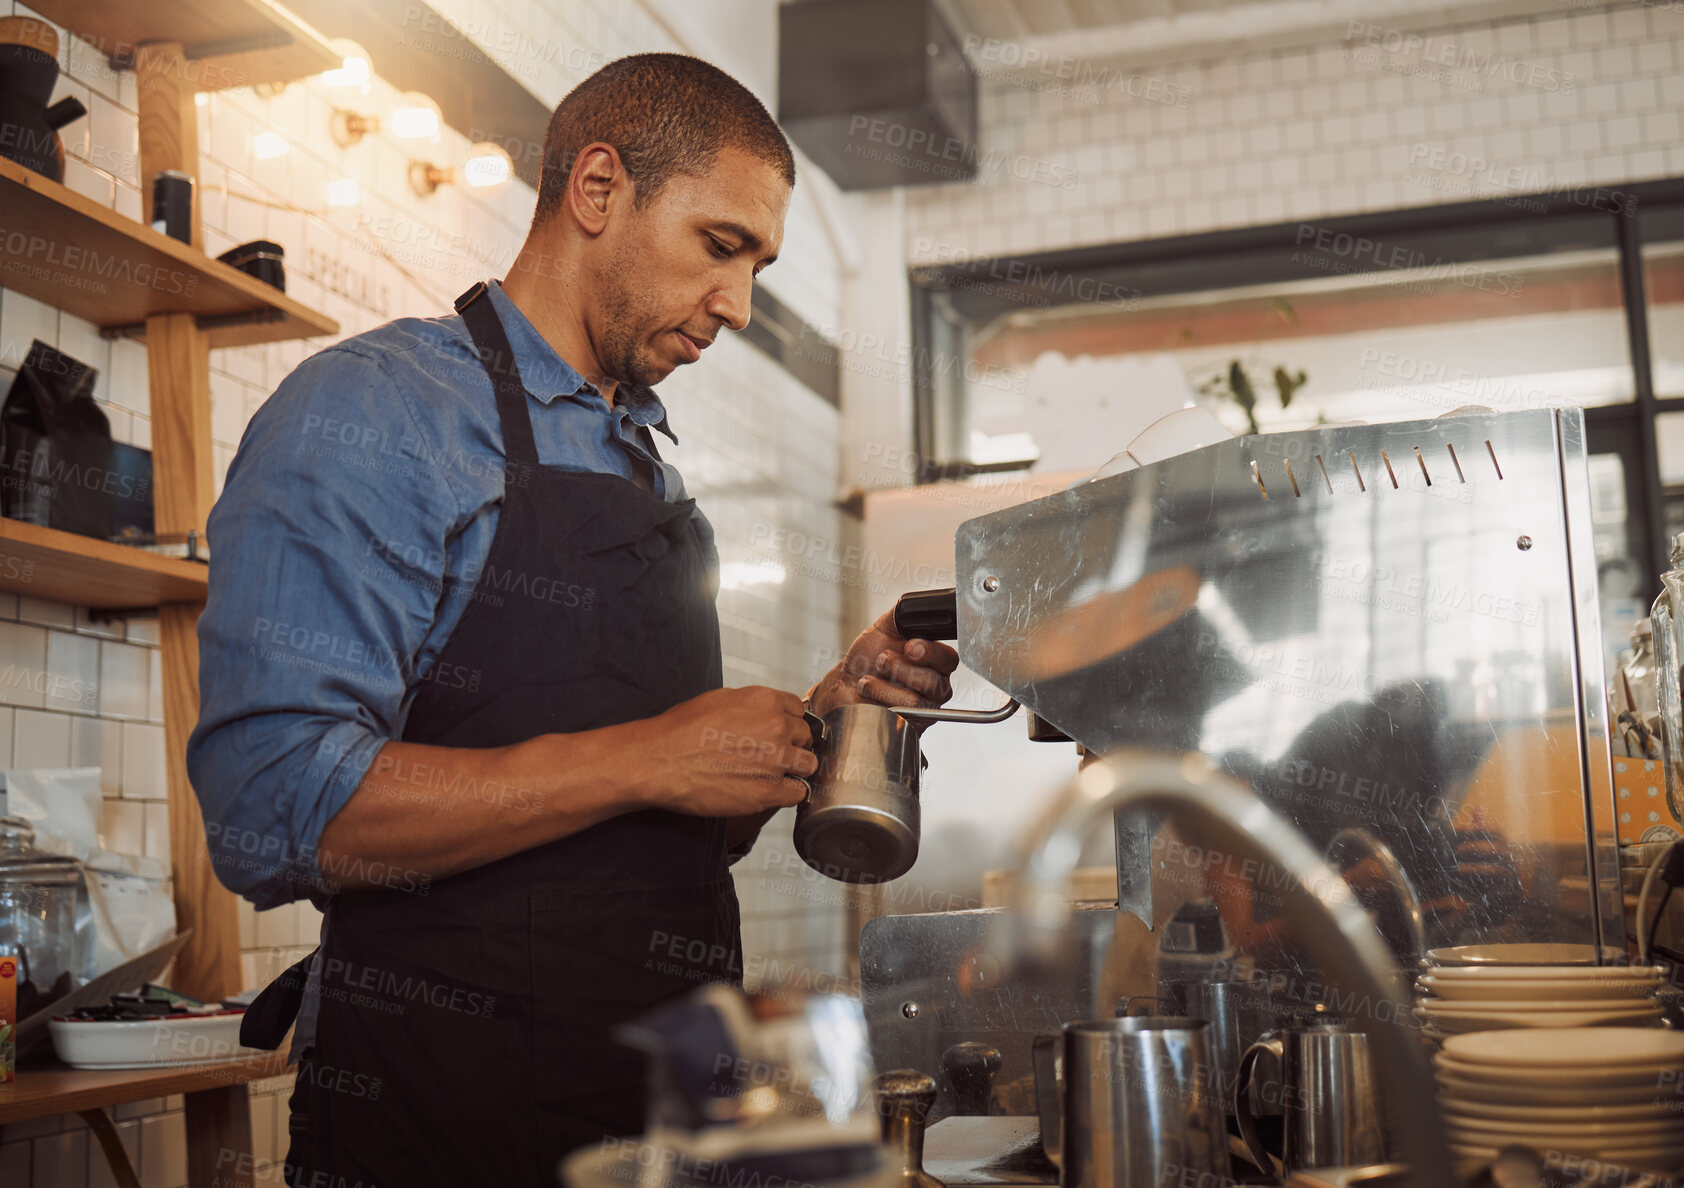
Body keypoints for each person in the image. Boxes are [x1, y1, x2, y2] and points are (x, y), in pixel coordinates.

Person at [188, 53, 959, 1188]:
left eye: (760, 263)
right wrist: (651, 756)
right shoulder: (374, 414)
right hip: (444, 1121)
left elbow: (650, 824)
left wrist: (811, 721)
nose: (739, 307)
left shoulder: (642, 461)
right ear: (597, 189)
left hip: (661, 1118)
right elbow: (269, 808)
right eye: (720, 245)